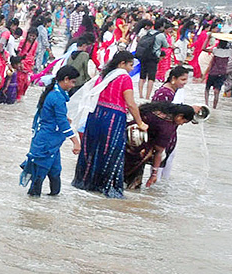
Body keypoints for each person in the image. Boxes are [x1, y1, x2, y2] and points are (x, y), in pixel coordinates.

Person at [70, 50, 146, 199]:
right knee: (112, 150)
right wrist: (140, 123)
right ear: (121, 64)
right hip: (113, 118)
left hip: (96, 115)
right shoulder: (124, 78)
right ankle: (107, 186)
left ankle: (85, 182)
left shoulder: (102, 76)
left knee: (92, 149)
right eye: (130, 65)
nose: (132, 69)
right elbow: (130, 103)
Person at [20, 66, 80, 197]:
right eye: (72, 82)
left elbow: (50, 115)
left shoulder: (54, 93)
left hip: (52, 142)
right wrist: (76, 142)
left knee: (55, 173)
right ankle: (33, 210)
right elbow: (62, 124)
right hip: (46, 143)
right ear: (66, 79)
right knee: (38, 177)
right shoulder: (57, 97)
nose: (72, 85)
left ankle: (50, 205)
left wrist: (64, 118)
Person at [125, 102, 195, 189]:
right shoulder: (167, 127)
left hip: (125, 137)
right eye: (183, 122)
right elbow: (159, 151)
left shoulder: (154, 109)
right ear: (180, 116)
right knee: (131, 185)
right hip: (137, 152)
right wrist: (154, 174)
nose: (181, 124)